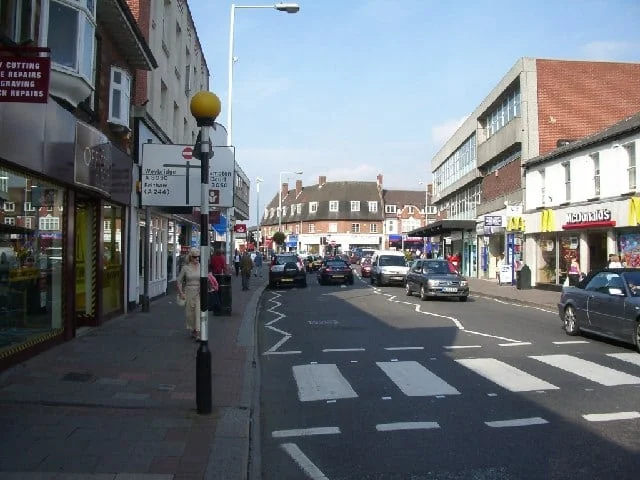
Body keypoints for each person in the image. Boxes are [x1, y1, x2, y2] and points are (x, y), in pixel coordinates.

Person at [177, 247, 202, 340]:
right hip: (188, 291)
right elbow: (179, 281)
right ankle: (193, 330)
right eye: (195, 257)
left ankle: (198, 333)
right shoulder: (185, 268)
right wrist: (181, 293)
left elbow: (205, 279)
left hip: (199, 292)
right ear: (190, 257)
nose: (197, 259)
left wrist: (203, 287)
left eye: (198, 257)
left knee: (198, 312)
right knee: (190, 314)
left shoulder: (201, 267)